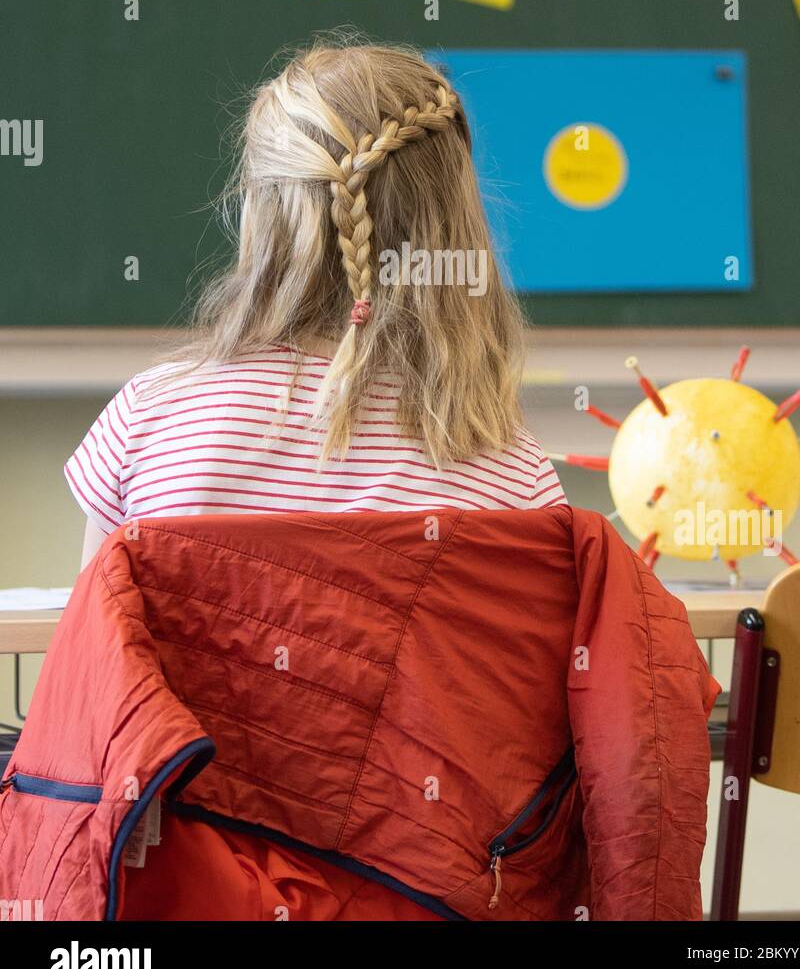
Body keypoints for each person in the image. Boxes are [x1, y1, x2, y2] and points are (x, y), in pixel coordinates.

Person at [65, 37, 566, 572]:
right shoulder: (512, 474)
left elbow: (95, 648)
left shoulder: (151, 420)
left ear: (260, 210)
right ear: (457, 224)